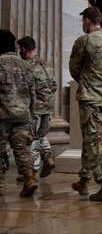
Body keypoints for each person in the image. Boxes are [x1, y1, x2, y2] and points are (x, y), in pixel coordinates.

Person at [69, 6, 102, 202]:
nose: (83, 24)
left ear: (87, 21)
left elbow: (74, 69)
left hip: (90, 97)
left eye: (83, 21)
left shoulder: (84, 41)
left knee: (95, 141)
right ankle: (84, 180)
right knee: (96, 139)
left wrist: (87, 78)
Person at [0, 30, 38, 197]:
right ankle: (29, 178)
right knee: (22, 150)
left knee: (1, 150)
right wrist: (32, 117)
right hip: (23, 115)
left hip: (2, 115)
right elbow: (32, 93)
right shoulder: (26, 65)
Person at [17, 36, 57, 178]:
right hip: (48, 106)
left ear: (23, 49)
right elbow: (54, 86)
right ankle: (48, 156)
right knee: (41, 135)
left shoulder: (25, 65)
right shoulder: (46, 64)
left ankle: (32, 173)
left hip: (34, 108)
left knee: (32, 138)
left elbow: (23, 89)